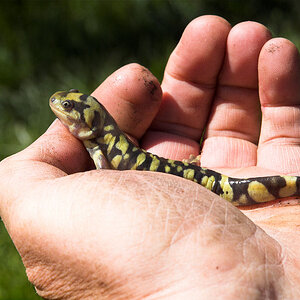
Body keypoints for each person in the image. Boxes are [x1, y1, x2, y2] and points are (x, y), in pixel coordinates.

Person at [0, 15, 299, 299]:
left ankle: (291, 184)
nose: (58, 105)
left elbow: (104, 172)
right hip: (197, 179)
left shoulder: (98, 147)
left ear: (87, 122)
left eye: (67, 105)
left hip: (206, 183)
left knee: (229, 187)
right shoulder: (105, 141)